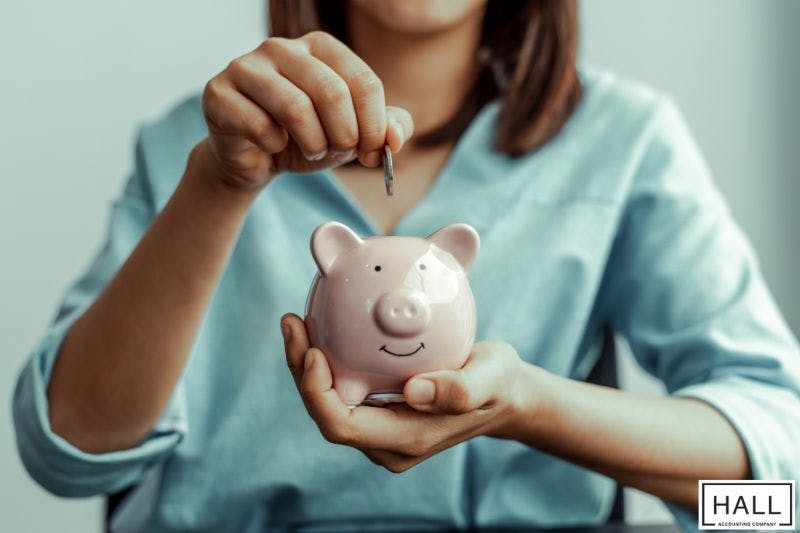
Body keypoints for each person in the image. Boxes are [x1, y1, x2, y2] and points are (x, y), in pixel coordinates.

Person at [13, 0, 800, 531]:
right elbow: (64, 455)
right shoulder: (196, 148)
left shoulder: (624, 143)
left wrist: (530, 403)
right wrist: (218, 185)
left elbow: (780, 490)